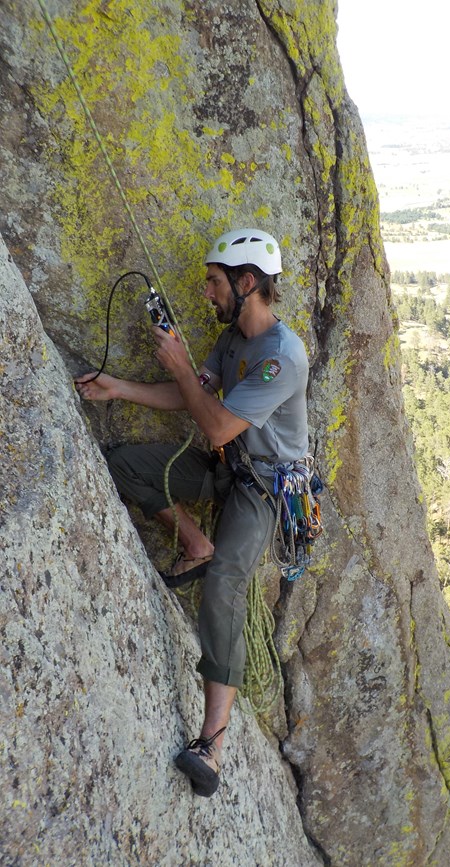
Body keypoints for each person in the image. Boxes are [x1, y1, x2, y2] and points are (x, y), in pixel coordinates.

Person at [75, 228, 309, 797]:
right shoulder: (233, 344)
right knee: (127, 465)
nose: (207, 292)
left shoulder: (281, 357)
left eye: (214, 282)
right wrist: (120, 389)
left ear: (246, 282)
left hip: (264, 489)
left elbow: (218, 422)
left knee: (226, 583)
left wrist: (180, 363)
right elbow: (194, 395)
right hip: (227, 466)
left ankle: (214, 744)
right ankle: (194, 543)